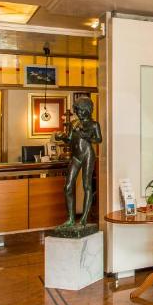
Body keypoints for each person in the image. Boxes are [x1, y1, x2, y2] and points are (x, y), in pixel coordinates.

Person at [54, 96, 101, 233]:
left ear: (88, 110)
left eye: (82, 110)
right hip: (75, 156)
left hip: (87, 155)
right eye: (78, 110)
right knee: (68, 186)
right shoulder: (74, 123)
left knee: (87, 185)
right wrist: (61, 137)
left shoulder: (93, 124)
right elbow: (69, 139)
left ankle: (84, 218)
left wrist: (87, 136)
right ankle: (70, 218)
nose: (79, 113)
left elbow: (99, 139)